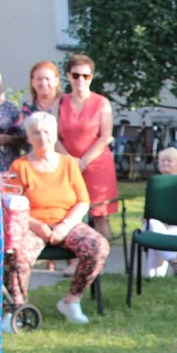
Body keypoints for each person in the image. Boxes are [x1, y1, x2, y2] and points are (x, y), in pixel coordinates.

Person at [3, 112, 109, 329]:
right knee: (15, 253)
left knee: (98, 246)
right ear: (28, 137)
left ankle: (71, 301)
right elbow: (12, 205)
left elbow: (82, 202)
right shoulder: (19, 167)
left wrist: (64, 226)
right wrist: (38, 225)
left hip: (66, 222)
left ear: (55, 135)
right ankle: (17, 310)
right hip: (32, 224)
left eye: (47, 132)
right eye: (36, 133)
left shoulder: (69, 164)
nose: (42, 137)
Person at [58, 54, 118, 251]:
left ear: (92, 77)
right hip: (67, 165)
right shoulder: (60, 102)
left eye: (86, 75)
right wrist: (70, 160)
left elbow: (105, 136)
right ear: (68, 76)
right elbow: (54, 136)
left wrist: (83, 161)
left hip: (97, 165)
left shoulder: (102, 103)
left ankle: (103, 258)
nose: (81, 80)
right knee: (70, 212)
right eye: (76, 75)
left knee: (100, 213)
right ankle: (74, 259)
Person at [142, 147, 177, 277]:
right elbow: (148, 213)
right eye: (162, 161)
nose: (165, 163)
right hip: (160, 226)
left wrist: (165, 220)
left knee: (155, 234)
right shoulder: (154, 184)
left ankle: (154, 278)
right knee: (153, 226)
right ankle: (174, 262)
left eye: (169, 161)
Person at [21, 61, 64, 140]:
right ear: (33, 82)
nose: (44, 83)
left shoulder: (66, 103)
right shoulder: (28, 107)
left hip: (64, 151)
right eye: (39, 79)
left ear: (56, 81)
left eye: (47, 79)